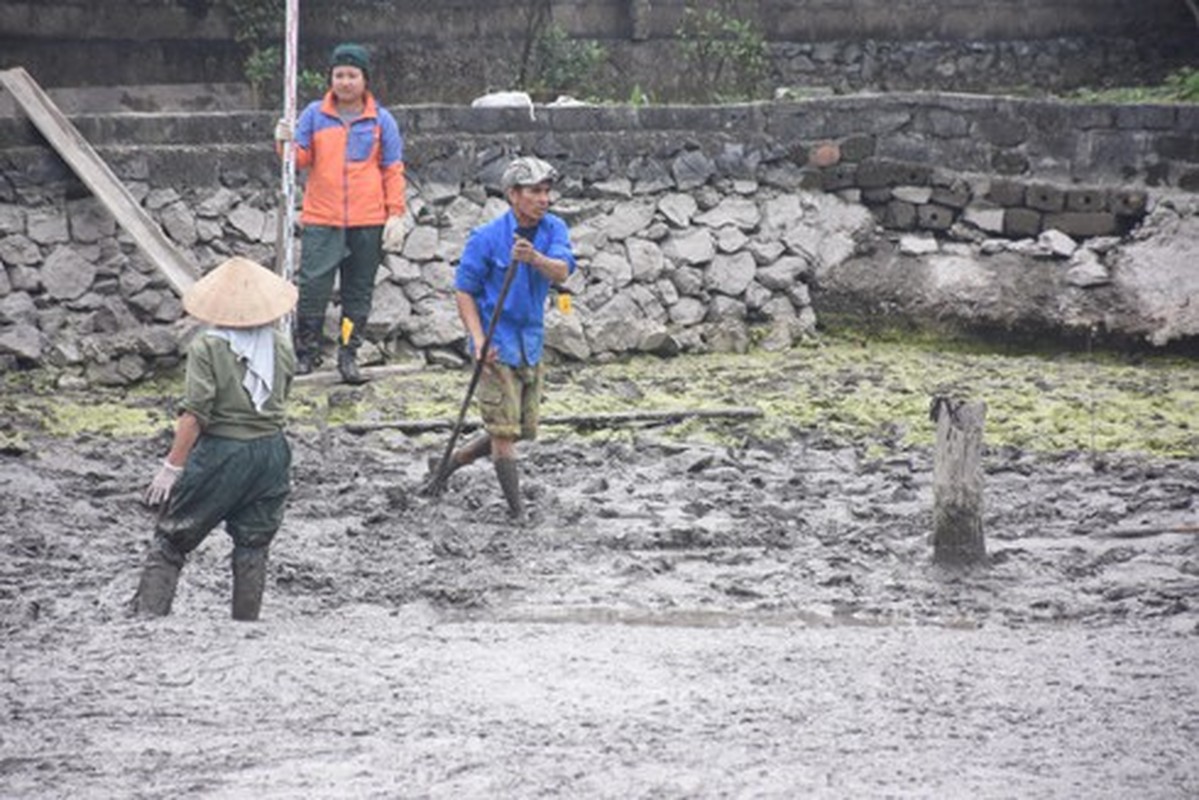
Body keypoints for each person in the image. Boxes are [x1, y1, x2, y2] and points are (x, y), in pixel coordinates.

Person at [131, 256, 298, 621]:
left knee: (173, 537)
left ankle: (146, 618)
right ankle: (245, 625)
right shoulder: (280, 344)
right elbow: (284, 391)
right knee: (253, 543)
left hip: (223, 454)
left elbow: (195, 415)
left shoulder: (208, 347)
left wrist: (171, 467)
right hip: (272, 453)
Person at [432, 156, 576, 521]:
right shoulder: (487, 238)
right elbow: (464, 291)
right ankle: (518, 511)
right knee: (503, 433)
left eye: (546, 191)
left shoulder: (554, 229)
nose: (543, 199)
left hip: (530, 340)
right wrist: (477, 340)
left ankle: (451, 462)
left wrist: (534, 259)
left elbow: (563, 270)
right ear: (513, 195)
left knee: (519, 429)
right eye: (534, 192)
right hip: (496, 342)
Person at [274, 42, 407, 383]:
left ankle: (349, 355)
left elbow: (392, 169)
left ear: (365, 79)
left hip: (368, 220)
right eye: (339, 75)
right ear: (330, 78)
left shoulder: (381, 120)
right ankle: (307, 354)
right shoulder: (314, 115)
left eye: (352, 75)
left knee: (358, 291)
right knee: (313, 286)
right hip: (322, 218)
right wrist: (284, 142)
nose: (345, 82)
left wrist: (395, 214)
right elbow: (298, 161)